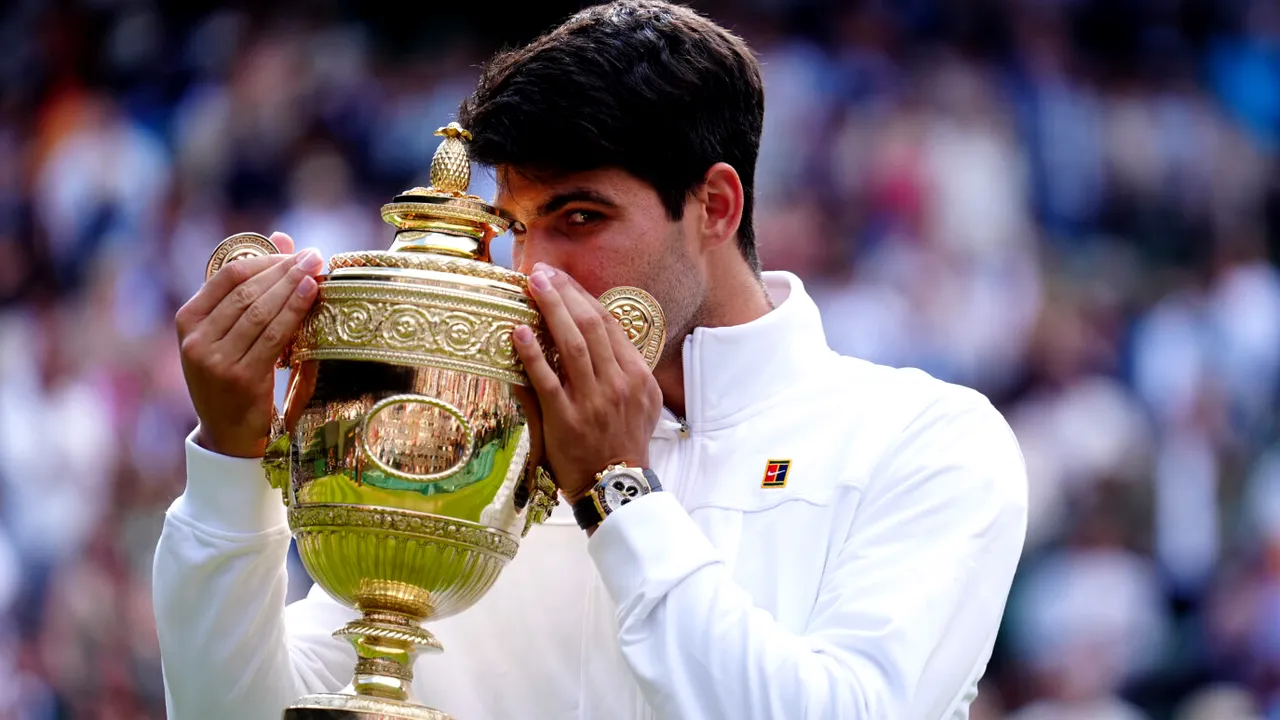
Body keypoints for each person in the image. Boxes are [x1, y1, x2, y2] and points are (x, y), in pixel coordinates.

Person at [152, 1, 1029, 718]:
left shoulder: (927, 441)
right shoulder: (475, 440)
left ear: (715, 207)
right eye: (517, 229)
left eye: (580, 219)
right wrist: (230, 457)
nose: (536, 274)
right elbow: (243, 712)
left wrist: (617, 490)